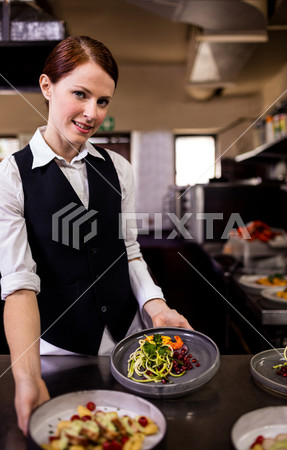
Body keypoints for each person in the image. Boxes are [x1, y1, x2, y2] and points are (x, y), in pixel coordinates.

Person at [0, 35, 192, 436]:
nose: (92, 113)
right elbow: (19, 285)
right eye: (81, 94)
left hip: (129, 341)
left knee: (131, 435)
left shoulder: (118, 168)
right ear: (47, 87)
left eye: (103, 101)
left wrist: (156, 308)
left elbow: (129, 251)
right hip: (58, 351)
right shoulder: (11, 175)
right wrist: (26, 377)